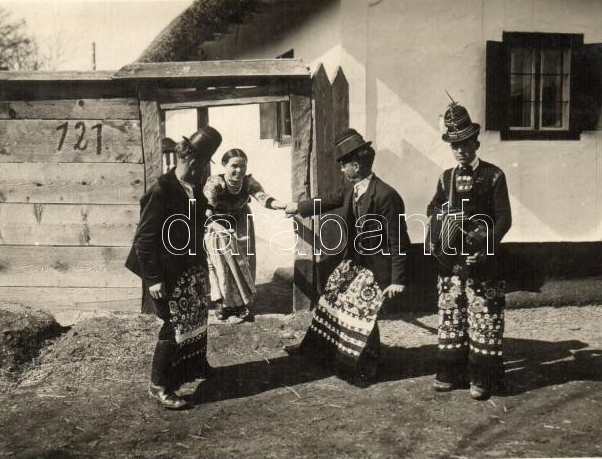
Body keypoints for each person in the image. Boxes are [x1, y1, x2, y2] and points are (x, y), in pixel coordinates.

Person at [285, 128, 410, 387]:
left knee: (361, 305)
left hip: (380, 267)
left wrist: (397, 280)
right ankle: (318, 350)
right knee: (332, 293)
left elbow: (399, 241)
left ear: (357, 165)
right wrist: (299, 207)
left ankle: (368, 363)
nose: (341, 169)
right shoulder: (352, 188)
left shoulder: (386, 196)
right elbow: (331, 200)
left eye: (344, 164)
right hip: (357, 260)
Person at [125, 126, 222, 410]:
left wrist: (210, 222)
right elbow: (144, 240)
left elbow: (195, 221)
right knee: (173, 324)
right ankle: (159, 385)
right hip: (164, 272)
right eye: (202, 164)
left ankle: (196, 364)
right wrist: (154, 279)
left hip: (188, 267)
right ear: (191, 160)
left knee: (196, 316)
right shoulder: (162, 190)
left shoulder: (193, 187)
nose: (204, 170)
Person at [426, 102, 512, 400]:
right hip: (451, 262)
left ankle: (483, 378)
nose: (460, 151)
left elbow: (504, 218)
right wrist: (444, 219)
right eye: (455, 146)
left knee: (484, 317)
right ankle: (451, 373)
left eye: (465, 144)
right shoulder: (445, 178)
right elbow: (433, 208)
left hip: (483, 261)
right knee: (452, 316)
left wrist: (485, 246)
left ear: (476, 143)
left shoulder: (494, 175)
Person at [203, 149, 289, 323]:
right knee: (219, 263)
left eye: (242, 166)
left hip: (241, 221)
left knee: (243, 261)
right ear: (224, 165)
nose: (239, 170)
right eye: (234, 166)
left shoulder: (248, 182)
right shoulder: (215, 183)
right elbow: (207, 209)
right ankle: (221, 302)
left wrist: (282, 205)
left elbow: (264, 198)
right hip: (217, 223)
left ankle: (242, 302)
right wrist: (215, 225)